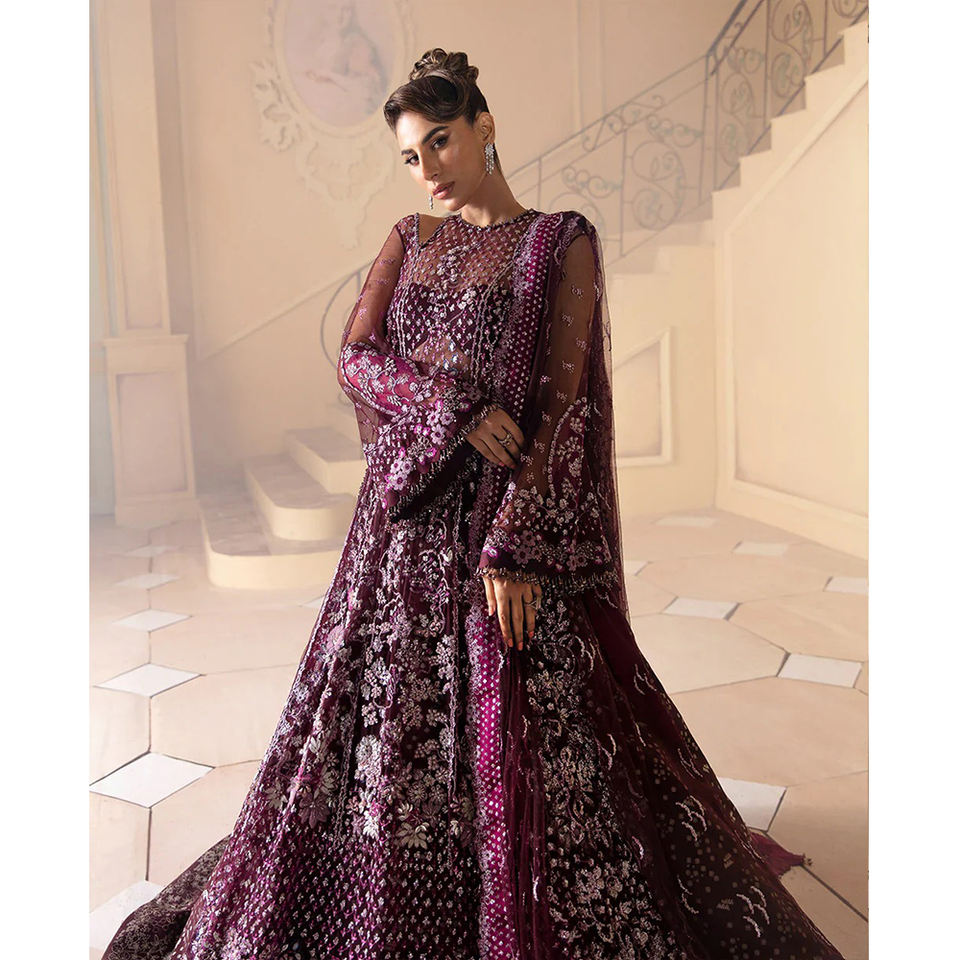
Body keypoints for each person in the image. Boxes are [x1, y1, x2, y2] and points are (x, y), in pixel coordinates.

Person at [103, 48, 846, 960]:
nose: (429, 170)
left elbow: (564, 407)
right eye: (411, 157)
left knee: (539, 738)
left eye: (441, 142)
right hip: (402, 533)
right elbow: (357, 357)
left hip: (504, 525)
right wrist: (450, 407)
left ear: (485, 127)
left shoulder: (559, 241)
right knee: (377, 736)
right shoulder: (410, 239)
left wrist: (518, 547)